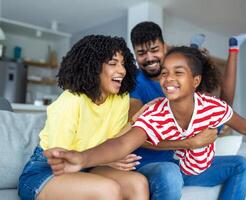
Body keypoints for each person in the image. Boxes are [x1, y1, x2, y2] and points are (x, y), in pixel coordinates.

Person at [44, 46, 246, 200]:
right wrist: (82, 158)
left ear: (195, 81)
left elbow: (244, 125)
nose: (168, 78)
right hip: (178, 168)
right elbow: (122, 144)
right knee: (169, 172)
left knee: (241, 165)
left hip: (203, 169)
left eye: (178, 72)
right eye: (164, 72)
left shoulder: (212, 107)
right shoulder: (156, 113)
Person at [127, 21, 246, 200]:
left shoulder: (180, 79)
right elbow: (135, 135)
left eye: (154, 50)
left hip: (181, 162)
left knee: (240, 164)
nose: (149, 58)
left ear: (165, 47)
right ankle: (194, 49)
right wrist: (190, 143)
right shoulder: (136, 84)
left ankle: (231, 49)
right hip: (153, 164)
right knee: (170, 172)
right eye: (141, 53)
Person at [18, 35, 149, 200]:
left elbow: (114, 141)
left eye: (123, 64)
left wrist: (136, 120)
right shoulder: (71, 100)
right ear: (93, 67)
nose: (122, 70)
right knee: (108, 189)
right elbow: (61, 159)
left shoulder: (120, 99)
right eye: (113, 63)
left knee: (138, 184)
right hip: (48, 169)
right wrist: (106, 161)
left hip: (89, 164)